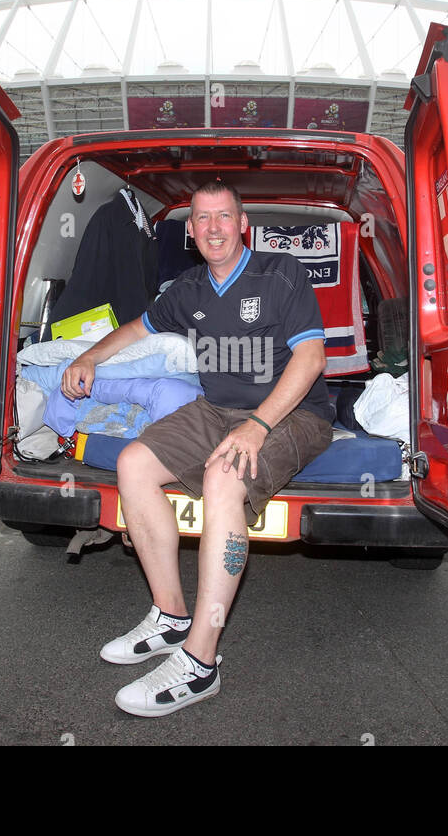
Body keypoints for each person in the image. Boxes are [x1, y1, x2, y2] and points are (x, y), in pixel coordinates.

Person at [60, 180, 333, 717]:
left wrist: (256, 426)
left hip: (294, 413)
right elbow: (138, 328)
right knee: (132, 463)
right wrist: (90, 357)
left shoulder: (283, 275)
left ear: (242, 224)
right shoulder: (187, 289)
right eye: (203, 219)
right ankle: (170, 615)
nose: (213, 227)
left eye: (224, 217)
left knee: (223, 478)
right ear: (190, 232)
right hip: (217, 410)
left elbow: (311, 361)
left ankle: (200, 662)